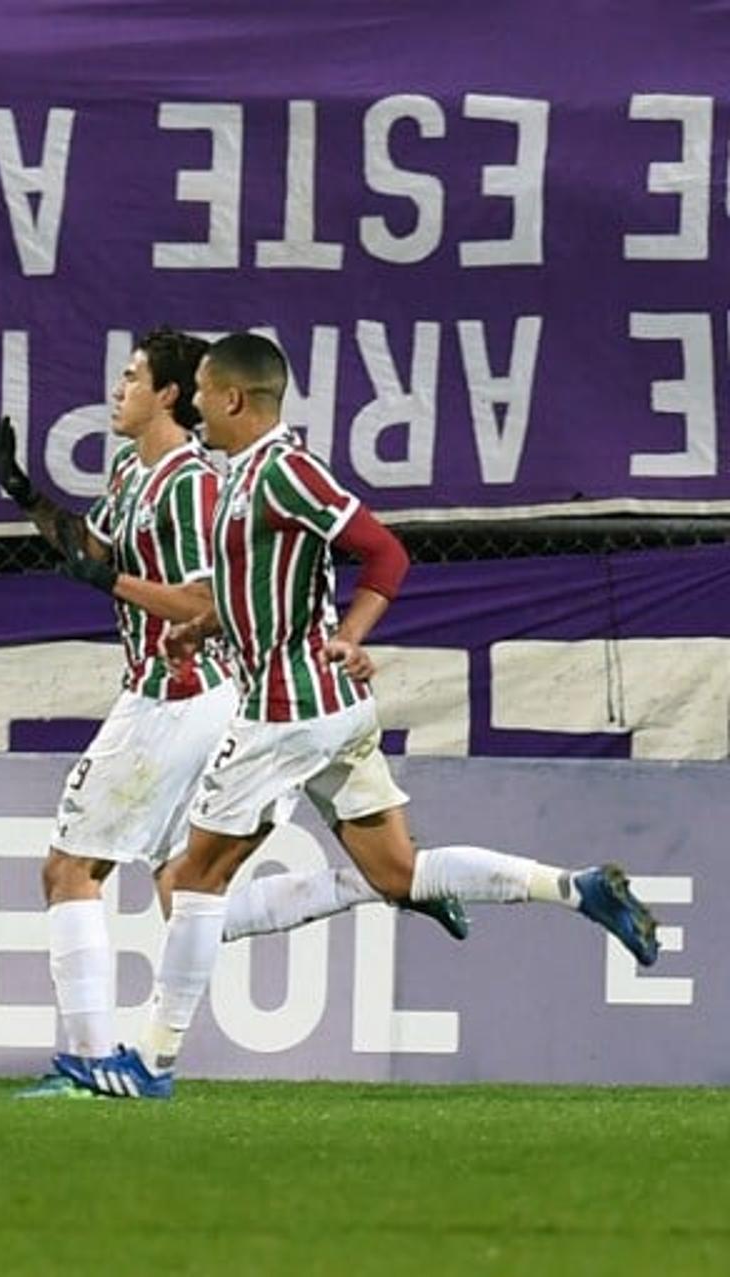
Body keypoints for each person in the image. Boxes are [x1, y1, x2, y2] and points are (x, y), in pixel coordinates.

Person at [57, 332, 661, 1100]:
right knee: (400, 873)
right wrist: (205, 626)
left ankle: (150, 1061)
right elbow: (267, 586)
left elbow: (385, 553)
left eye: (205, 390)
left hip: (286, 709)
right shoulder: (243, 475)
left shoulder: (286, 470)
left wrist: (350, 634)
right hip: (331, 710)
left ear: (235, 398)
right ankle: (575, 887)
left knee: (192, 879)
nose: (197, 401)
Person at [0, 328, 464, 1099]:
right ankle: (379, 885)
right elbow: (92, 550)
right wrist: (26, 496)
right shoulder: (131, 473)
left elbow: (202, 598)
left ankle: (89, 1062)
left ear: (174, 395)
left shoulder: (194, 484)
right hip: (185, 692)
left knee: (71, 867)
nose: (119, 388)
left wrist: (111, 583)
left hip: (179, 697)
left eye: (135, 376)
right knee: (189, 893)